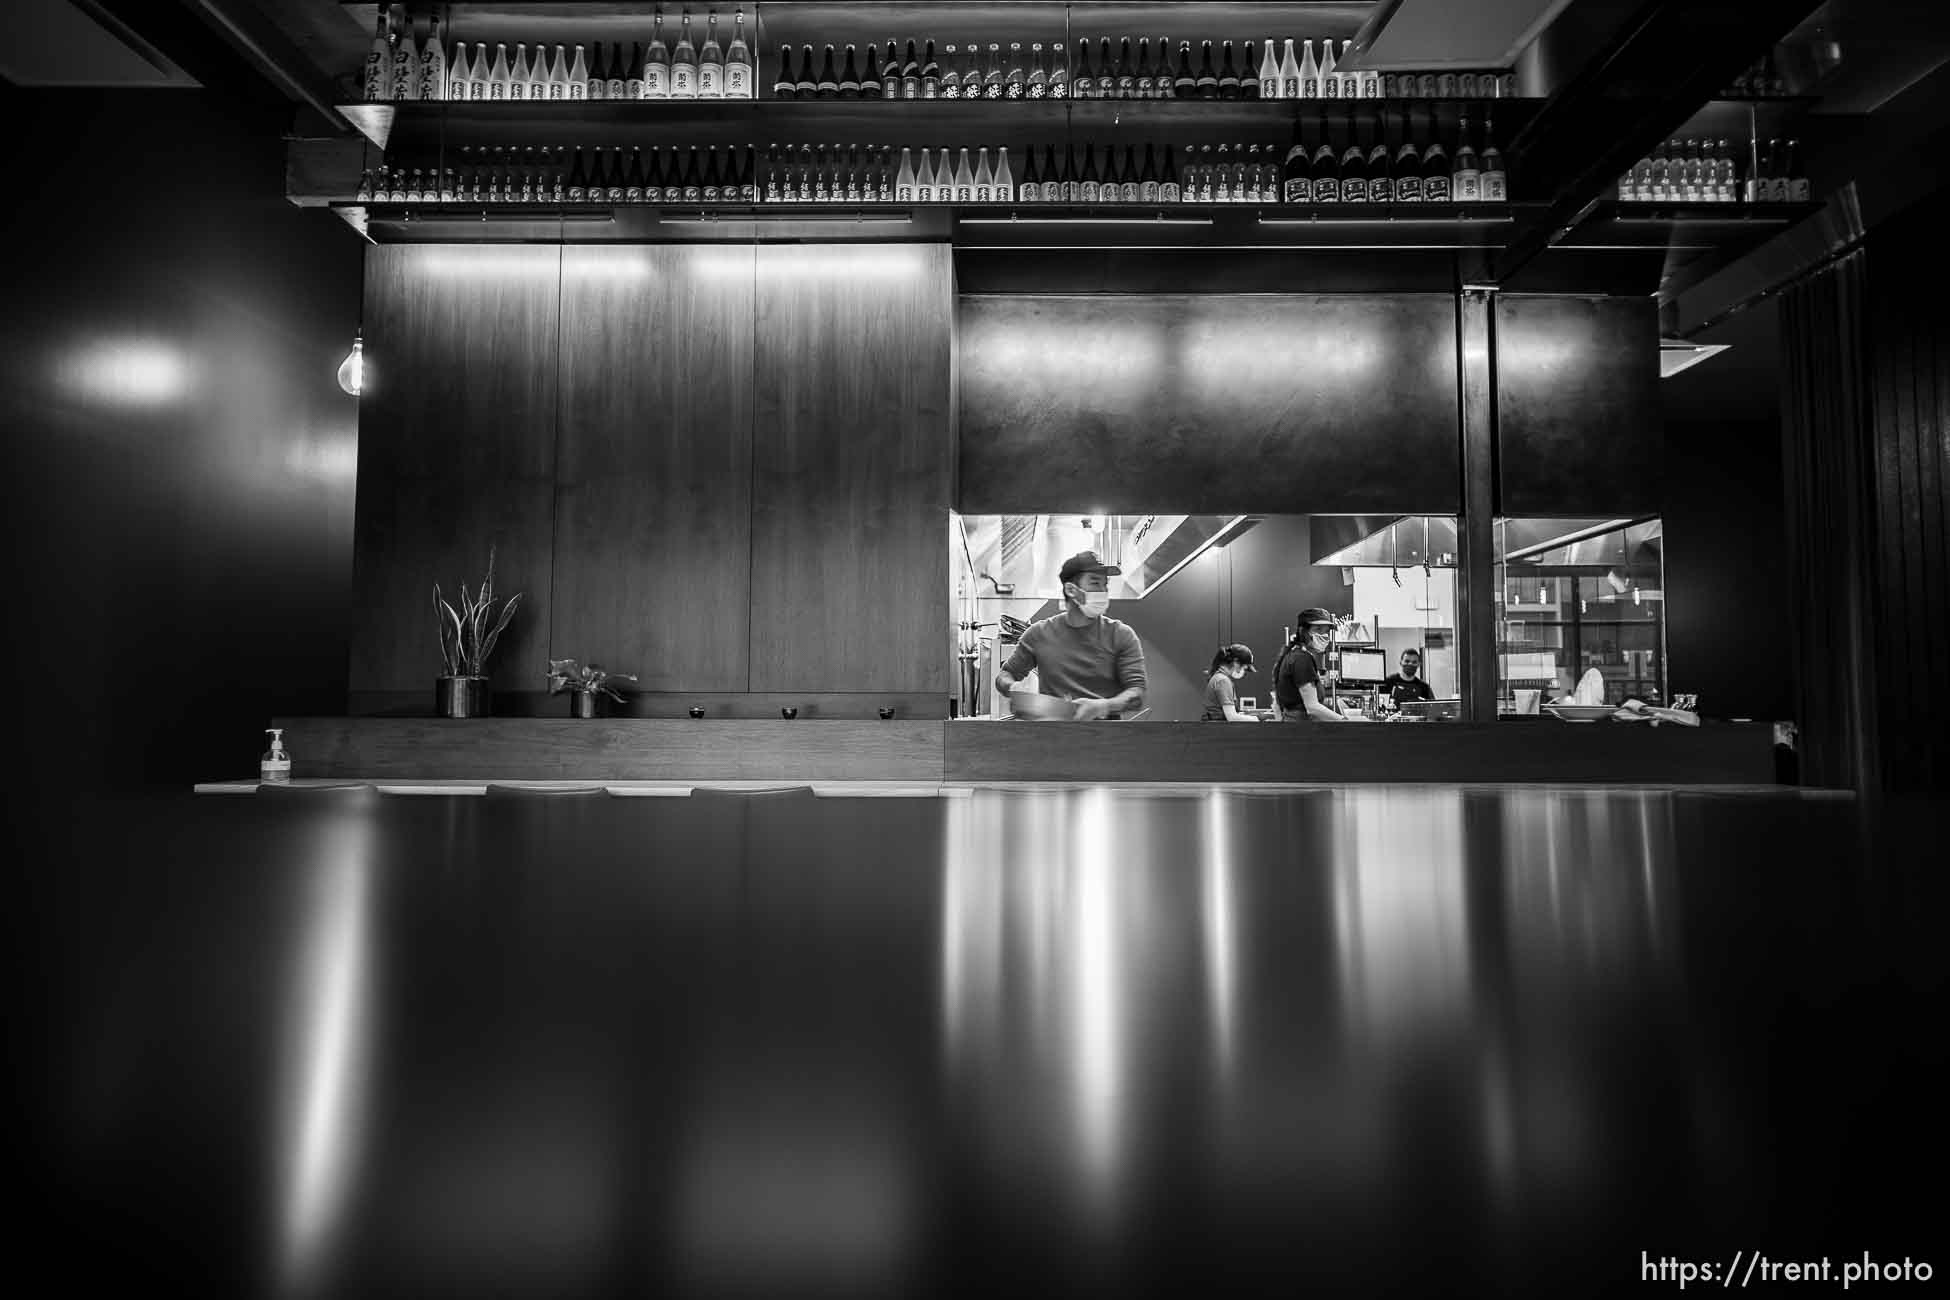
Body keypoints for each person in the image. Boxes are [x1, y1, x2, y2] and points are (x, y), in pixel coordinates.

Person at [995, 550, 1147, 721]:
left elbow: (1137, 695)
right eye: (1095, 583)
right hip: (1052, 737)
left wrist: (1104, 706)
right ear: (1071, 589)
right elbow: (1004, 675)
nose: (1103, 591)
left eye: (1105, 584)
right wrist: (1014, 687)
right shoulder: (1038, 634)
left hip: (1107, 740)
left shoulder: (1121, 635)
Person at [1271, 607, 1359, 722]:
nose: (1324, 635)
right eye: (1318, 629)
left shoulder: (1294, 655)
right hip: (1302, 731)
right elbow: (1312, 707)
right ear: (1303, 631)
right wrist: (1344, 720)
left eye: (1326, 631)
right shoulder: (1301, 659)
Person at [1201, 644, 1259, 721]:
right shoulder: (1223, 681)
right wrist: (1256, 719)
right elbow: (1232, 717)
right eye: (1244, 668)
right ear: (1235, 662)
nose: (1243, 672)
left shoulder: (1218, 677)